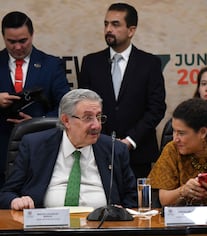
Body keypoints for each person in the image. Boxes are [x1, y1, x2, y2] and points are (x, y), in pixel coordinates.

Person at [0, 89, 137, 210]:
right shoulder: (34, 145)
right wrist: (16, 201)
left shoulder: (114, 149)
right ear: (66, 121)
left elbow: (132, 198)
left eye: (99, 117)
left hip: (101, 230)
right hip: (46, 230)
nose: (96, 125)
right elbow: (7, 193)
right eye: (88, 118)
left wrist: (121, 212)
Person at [79, 3, 166, 178]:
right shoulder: (91, 63)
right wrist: (102, 141)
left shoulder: (149, 64)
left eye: (115, 24)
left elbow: (156, 108)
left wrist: (130, 141)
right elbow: (83, 107)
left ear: (131, 30)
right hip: (97, 152)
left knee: (135, 204)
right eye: (106, 24)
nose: (108, 29)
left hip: (138, 153)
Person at [0, 11, 70, 187]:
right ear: (3, 37)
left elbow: (66, 106)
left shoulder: (52, 65)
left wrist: (39, 122)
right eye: (11, 41)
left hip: (40, 151)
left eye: (23, 41)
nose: (17, 47)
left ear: (32, 35)